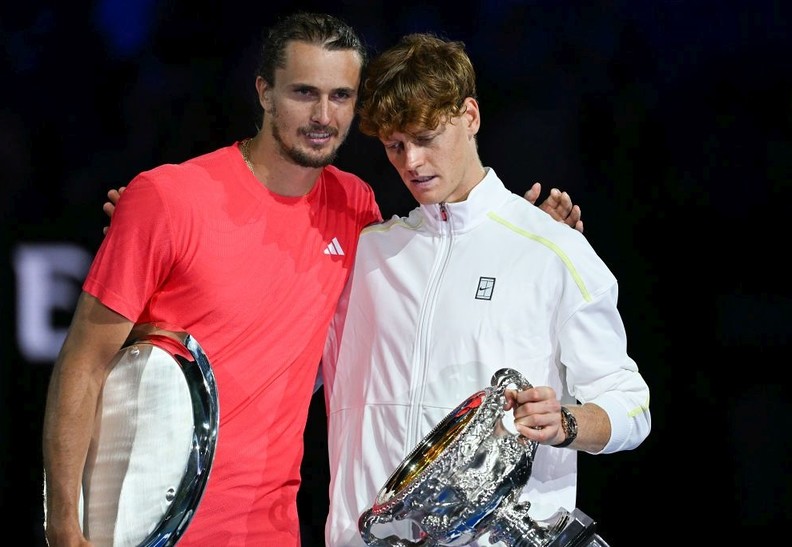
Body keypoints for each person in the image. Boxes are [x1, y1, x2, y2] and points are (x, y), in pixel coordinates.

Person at [44, 12, 581, 547]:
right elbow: (83, 362)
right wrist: (65, 528)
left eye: (341, 96)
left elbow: (435, 282)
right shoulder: (166, 198)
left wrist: (526, 238)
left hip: (272, 532)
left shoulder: (355, 208)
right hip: (143, 530)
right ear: (264, 93)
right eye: (304, 92)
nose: (323, 115)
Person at [320, 33, 651, 546]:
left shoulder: (551, 250)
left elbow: (631, 405)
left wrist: (565, 421)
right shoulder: (367, 256)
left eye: (425, 136)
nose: (410, 162)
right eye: (394, 145)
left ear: (469, 115)